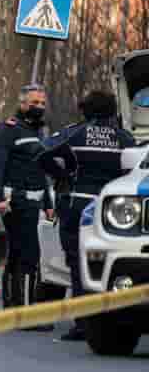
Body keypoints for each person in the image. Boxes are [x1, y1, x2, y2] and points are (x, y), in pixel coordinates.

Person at [38, 90, 136, 340]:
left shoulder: (75, 133)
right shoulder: (125, 139)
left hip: (77, 205)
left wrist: (63, 176)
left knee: (77, 263)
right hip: (112, 210)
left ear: (86, 110)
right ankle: (107, 317)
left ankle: (83, 323)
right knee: (106, 263)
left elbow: (43, 154)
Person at [0, 83, 54, 319]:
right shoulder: (10, 129)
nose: (39, 107)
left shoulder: (37, 132)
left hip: (33, 202)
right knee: (29, 254)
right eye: (34, 103)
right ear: (22, 104)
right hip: (17, 200)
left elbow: (38, 169)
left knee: (17, 252)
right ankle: (24, 312)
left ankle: (12, 306)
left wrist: (48, 204)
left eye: (42, 103)